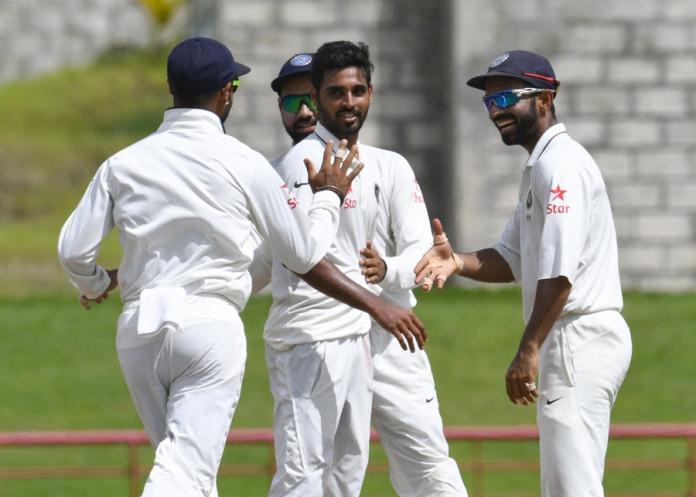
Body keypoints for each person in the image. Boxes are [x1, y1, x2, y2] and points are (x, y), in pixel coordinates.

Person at [57, 36, 425, 497]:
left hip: (139, 327)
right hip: (208, 327)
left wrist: (95, 282)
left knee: (187, 464)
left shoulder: (122, 163)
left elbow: (72, 250)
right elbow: (303, 254)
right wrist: (328, 198)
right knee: (184, 472)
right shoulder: (246, 163)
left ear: (170, 86)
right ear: (228, 90)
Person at [415, 50, 632, 497]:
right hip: (572, 337)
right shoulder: (540, 167)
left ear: (545, 99)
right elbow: (512, 258)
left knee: (573, 487)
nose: (497, 111)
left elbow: (560, 272)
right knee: (566, 484)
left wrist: (529, 348)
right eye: (490, 102)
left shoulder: (561, 166)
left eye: (509, 97)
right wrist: (457, 260)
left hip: (576, 336)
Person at [263, 41, 464, 497]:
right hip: (321, 337)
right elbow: (278, 259)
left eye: (356, 91)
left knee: (426, 464)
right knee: (315, 475)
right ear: (318, 99)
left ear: (370, 93)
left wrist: (386, 271)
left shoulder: (389, 166)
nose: (348, 102)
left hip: (393, 334)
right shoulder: (289, 169)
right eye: (336, 92)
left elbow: (421, 252)